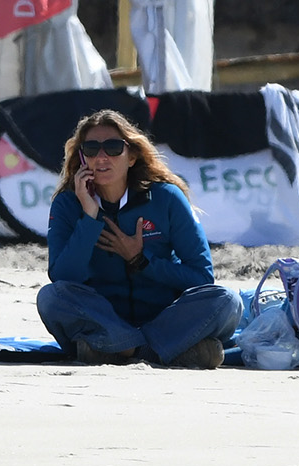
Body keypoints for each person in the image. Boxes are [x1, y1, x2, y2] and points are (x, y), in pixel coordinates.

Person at [34, 114, 239, 367]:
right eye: (91, 149)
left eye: (113, 147)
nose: (101, 157)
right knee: (50, 297)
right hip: (103, 320)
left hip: (165, 317)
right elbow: (63, 276)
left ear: (131, 157)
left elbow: (201, 277)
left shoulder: (166, 198)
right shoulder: (67, 203)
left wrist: (141, 261)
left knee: (227, 301)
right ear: (82, 157)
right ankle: (157, 350)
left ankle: (120, 350)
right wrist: (89, 218)